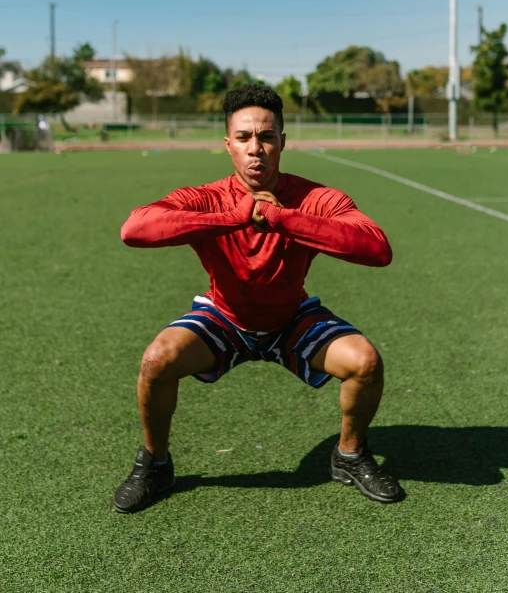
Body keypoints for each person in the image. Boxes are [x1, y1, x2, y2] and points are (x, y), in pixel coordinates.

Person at [114, 85, 402, 513]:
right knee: (157, 360)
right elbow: (134, 229)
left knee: (365, 362)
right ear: (227, 145)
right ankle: (155, 463)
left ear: (282, 142)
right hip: (224, 316)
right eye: (245, 138)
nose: (256, 150)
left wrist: (281, 217)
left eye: (266, 137)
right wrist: (234, 217)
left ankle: (349, 455)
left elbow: (376, 248)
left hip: (290, 317)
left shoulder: (315, 198)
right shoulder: (208, 197)